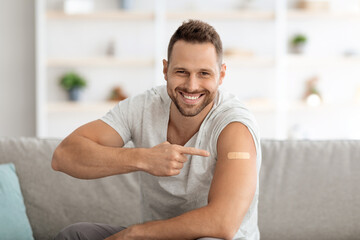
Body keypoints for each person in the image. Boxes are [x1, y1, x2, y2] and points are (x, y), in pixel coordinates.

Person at [52, 19, 261, 240]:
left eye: (204, 74)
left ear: (222, 75)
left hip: (206, 237)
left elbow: (223, 223)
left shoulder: (234, 125)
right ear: (165, 69)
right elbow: (63, 156)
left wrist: (133, 234)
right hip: (157, 237)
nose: (192, 85)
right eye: (181, 71)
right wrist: (143, 158)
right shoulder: (143, 107)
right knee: (74, 235)